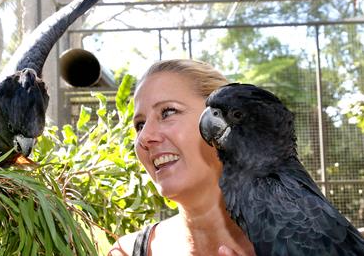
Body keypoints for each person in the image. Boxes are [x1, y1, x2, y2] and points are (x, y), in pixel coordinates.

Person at [108, 59, 255, 256]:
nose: (144, 137)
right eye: (140, 125)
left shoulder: (301, 241)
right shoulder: (126, 251)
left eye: (168, 112)